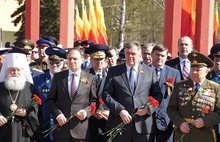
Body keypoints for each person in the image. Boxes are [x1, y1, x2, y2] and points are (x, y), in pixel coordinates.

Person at [102, 41, 163, 142]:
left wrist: (148, 109)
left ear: (140, 55)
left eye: (133, 54)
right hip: (120, 124)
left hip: (142, 126)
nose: (130, 56)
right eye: (127, 53)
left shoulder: (150, 72)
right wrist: (120, 110)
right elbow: (106, 94)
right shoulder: (114, 71)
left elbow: (157, 95)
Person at [46, 47, 97, 142]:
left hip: (81, 130)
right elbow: (50, 100)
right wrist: (58, 114)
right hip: (62, 129)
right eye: (69, 58)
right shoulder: (58, 77)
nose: (72, 61)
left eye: (75, 58)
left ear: (82, 60)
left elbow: (94, 101)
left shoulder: (90, 78)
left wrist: (86, 112)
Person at [167, 52, 220, 142]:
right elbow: (171, 109)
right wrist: (180, 123)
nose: (194, 72)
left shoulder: (215, 88)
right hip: (183, 134)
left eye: (198, 70)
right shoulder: (180, 86)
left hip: (205, 135)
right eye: (192, 69)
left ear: (207, 71)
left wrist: (205, 121)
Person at [0, 46, 42, 142]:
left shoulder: (30, 88)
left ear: (23, 70)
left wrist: (27, 113)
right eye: (12, 70)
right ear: (7, 70)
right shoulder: (0, 87)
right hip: (3, 131)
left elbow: (37, 107)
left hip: (23, 132)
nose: (15, 72)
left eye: (18, 70)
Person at [34, 46, 66, 142]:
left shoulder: (68, 79)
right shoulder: (38, 80)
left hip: (62, 125)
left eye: (57, 63)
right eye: (52, 62)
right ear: (48, 63)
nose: (54, 65)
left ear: (63, 63)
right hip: (43, 125)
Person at [150, 44, 181, 142]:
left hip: (166, 119)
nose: (159, 58)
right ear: (151, 55)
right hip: (146, 118)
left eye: (162, 56)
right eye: (157, 55)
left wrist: (176, 119)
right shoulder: (142, 70)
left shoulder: (174, 73)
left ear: (166, 56)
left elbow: (178, 97)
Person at [85, 44, 111, 142]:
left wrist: (109, 111)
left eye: (101, 59)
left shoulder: (111, 75)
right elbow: (81, 97)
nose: (99, 62)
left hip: (107, 121)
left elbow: (116, 96)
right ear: (91, 60)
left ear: (105, 60)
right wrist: (92, 111)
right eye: (96, 59)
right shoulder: (84, 75)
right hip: (89, 121)